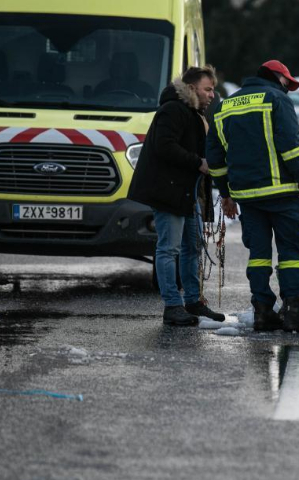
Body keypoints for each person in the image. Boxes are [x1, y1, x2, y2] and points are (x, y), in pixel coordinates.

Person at [206, 60, 299, 332]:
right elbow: (290, 145)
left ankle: (262, 312)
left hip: (247, 197)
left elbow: (215, 157)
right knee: (292, 253)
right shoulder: (275, 99)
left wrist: (225, 194)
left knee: (258, 255)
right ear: (276, 78)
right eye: (287, 83)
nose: (288, 90)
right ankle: (294, 312)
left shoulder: (224, 107)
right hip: (282, 193)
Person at [128, 66, 225, 326]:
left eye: (213, 90)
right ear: (192, 89)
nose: (212, 95)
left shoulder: (192, 112)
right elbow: (165, 146)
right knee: (169, 249)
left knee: (192, 247)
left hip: (185, 193)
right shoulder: (173, 109)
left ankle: (193, 301)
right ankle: (172, 305)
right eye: (208, 89)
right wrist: (198, 163)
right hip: (168, 191)